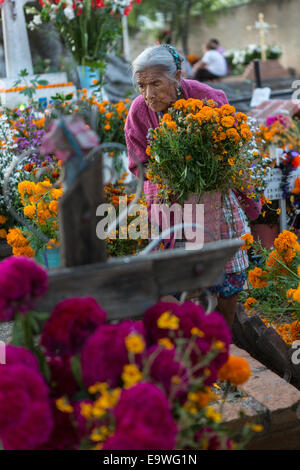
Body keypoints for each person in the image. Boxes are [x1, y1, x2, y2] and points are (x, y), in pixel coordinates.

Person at [124, 44, 252, 327]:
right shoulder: (138, 111)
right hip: (169, 201)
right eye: (142, 86)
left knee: (228, 274)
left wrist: (202, 169)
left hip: (213, 198)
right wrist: (165, 173)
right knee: (178, 278)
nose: (148, 94)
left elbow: (231, 146)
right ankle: (189, 339)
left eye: (156, 83)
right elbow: (138, 162)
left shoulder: (207, 98)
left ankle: (223, 337)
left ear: (178, 77)